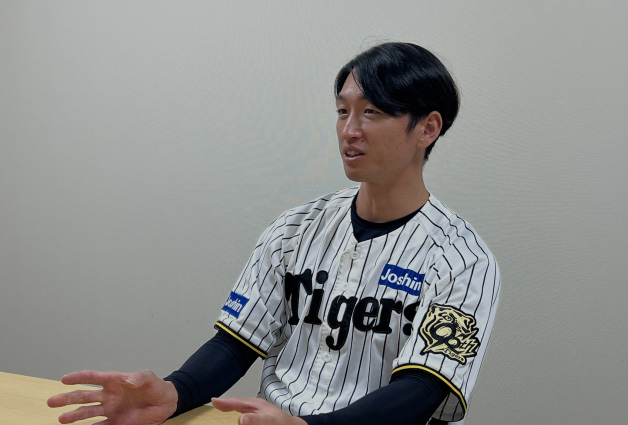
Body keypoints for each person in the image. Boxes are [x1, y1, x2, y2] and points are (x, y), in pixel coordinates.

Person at [48, 42, 500, 425]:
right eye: (342, 111)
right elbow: (236, 341)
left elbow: (423, 389)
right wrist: (175, 392)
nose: (349, 130)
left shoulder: (463, 260)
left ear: (427, 128)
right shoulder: (294, 228)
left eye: (372, 112)